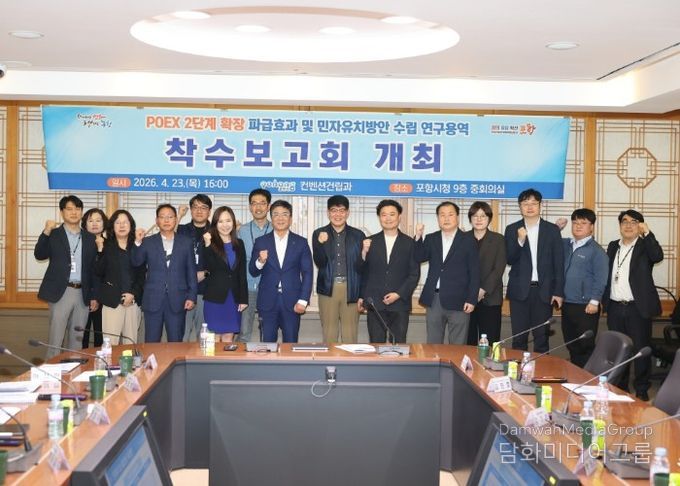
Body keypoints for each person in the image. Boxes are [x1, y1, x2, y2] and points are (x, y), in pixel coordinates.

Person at [602, 209, 663, 401]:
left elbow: (657, 256)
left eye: (634, 222)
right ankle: (621, 387)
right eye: (624, 222)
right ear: (620, 226)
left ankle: (642, 390)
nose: (628, 225)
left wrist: (648, 233)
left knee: (640, 350)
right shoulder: (613, 246)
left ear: (640, 226)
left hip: (637, 307)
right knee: (620, 349)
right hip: (615, 306)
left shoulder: (646, 246)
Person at [34, 195, 98, 359]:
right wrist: (46, 231)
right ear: (62, 212)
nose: (74, 212)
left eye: (77, 209)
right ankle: (51, 372)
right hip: (61, 291)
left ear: (81, 212)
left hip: (82, 292)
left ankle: (73, 370)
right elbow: (40, 254)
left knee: (77, 339)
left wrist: (94, 295)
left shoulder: (90, 238)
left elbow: (93, 270)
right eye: (69, 209)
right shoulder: (54, 234)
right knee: (56, 338)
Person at [504, 188, 564, 353]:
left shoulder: (552, 230)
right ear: (520, 207)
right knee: (519, 339)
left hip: (544, 292)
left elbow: (558, 263)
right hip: (519, 292)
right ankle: (517, 370)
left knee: (542, 339)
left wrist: (558, 291)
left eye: (533, 203)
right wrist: (520, 241)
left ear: (540, 206)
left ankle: (541, 370)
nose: (529, 207)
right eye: (525, 203)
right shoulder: (512, 229)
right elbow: (509, 259)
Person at [414, 202, 480, 344]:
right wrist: (418, 236)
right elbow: (419, 257)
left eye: (450, 214)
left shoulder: (469, 240)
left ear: (457, 217)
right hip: (434, 299)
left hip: (460, 299)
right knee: (433, 343)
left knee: (458, 343)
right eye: (442, 215)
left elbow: (475, 272)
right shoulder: (431, 238)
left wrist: (471, 299)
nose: (446, 218)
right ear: (438, 218)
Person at [131, 204, 197, 342]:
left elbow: (191, 271)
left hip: (178, 299)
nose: (166, 220)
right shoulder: (148, 242)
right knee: (151, 342)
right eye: (162, 217)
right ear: (157, 221)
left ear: (176, 219)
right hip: (153, 299)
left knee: (176, 342)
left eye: (170, 217)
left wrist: (192, 296)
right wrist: (137, 242)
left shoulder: (186, 242)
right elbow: (136, 262)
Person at [249, 200, 313, 343]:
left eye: (284, 214)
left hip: (293, 302)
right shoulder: (261, 241)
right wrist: (260, 261)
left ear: (290, 218)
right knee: (267, 346)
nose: (280, 218)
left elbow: (307, 273)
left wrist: (303, 300)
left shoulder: (301, 242)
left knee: (290, 344)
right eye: (276, 214)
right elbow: (253, 271)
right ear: (271, 217)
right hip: (267, 301)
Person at [357, 199, 420, 344]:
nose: (388, 218)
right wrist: (364, 252)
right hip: (375, 303)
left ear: (399, 217)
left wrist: (398, 294)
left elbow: (414, 274)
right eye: (384, 215)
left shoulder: (410, 243)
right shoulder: (369, 242)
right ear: (379, 217)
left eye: (392, 214)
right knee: (376, 344)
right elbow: (361, 271)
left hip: (400, 304)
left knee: (398, 345)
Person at [559, 208, 609, 368]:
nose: (578, 226)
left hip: (586, 306)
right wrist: (556, 228)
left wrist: (595, 301)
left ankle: (587, 377)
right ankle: (576, 375)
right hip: (567, 303)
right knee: (571, 343)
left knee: (585, 345)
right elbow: (548, 242)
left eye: (583, 223)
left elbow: (601, 278)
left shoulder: (596, 251)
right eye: (575, 223)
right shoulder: (566, 245)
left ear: (591, 227)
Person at [312, 195, 365, 343]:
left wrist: (362, 294)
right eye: (334, 210)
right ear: (328, 213)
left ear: (347, 213)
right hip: (328, 288)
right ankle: (330, 359)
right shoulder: (319, 233)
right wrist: (320, 244)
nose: (338, 214)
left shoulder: (358, 235)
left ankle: (349, 359)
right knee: (329, 334)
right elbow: (319, 263)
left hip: (351, 288)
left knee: (350, 334)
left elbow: (362, 268)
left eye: (342, 210)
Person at [94, 209, 145, 344]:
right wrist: (100, 250)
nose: (122, 225)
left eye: (125, 222)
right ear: (112, 226)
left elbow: (142, 275)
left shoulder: (137, 246)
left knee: (130, 344)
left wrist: (133, 294)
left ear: (131, 225)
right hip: (112, 302)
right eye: (118, 222)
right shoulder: (106, 245)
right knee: (110, 345)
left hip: (132, 302)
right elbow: (99, 271)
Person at [202, 206, 248, 342]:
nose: (225, 225)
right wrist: (208, 245)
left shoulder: (239, 244)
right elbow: (209, 267)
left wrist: (244, 299)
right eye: (220, 221)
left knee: (229, 336)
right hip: (215, 298)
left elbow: (241, 273)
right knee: (214, 338)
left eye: (228, 221)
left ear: (233, 222)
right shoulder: (209, 243)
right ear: (215, 224)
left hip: (233, 298)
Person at [466, 201, 506, 346]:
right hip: (467, 298)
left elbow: (499, 268)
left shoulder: (498, 239)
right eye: (475, 216)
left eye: (483, 216)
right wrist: (472, 292)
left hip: (491, 297)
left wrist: (482, 290)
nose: (479, 219)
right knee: (468, 340)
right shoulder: (463, 238)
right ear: (470, 218)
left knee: (490, 340)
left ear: (489, 218)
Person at [238, 189, 273, 342]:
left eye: (262, 203)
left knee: (268, 330)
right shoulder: (241, 230)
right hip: (247, 286)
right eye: (254, 203)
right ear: (250, 207)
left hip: (269, 287)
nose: (258, 207)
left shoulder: (276, 229)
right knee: (244, 331)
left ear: (268, 206)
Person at [177, 194, 212, 342]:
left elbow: (222, 261)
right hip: (183, 292)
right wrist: (179, 215)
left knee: (205, 338)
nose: (199, 211)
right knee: (181, 335)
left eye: (203, 207)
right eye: (195, 207)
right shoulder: (181, 230)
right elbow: (167, 241)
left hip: (207, 292)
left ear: (209, 211)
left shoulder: (216, 232)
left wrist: (206, 273)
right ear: (190, 210)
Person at [81, 208, 108, 348]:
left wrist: (96, 297)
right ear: (85, 224)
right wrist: (91, 296)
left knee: (101, 336)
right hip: (82, 295)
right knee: (81, 335)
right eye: (90, 221)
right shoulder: (79, 243)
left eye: (98, 220)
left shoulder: (110, 244)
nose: (95, 224)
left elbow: (104, 272)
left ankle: (100, 361)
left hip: (103, 297)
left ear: (104, 223)